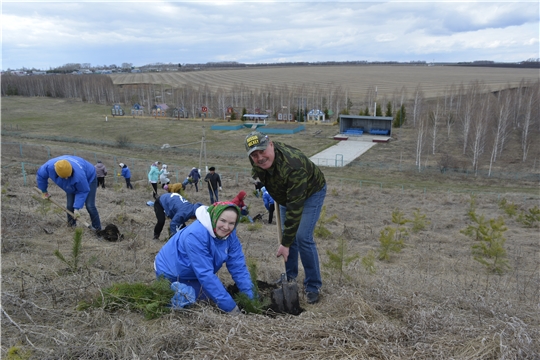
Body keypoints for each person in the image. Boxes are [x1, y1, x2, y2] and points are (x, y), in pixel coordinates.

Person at [245, 131, 326, 304]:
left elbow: (295, 208)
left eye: (262, 151)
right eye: (254, 155)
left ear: (271, 145)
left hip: (311, 192)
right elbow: (259, 170)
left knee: (302, 236)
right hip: (283, 193)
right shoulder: (257, 159)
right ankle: (290, 277)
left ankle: (313, 286)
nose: (259, 157)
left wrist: (286, 243)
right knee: (287, 237)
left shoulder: (293, 166)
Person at [154, 202, 254, 314]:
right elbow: (205, 274)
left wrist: (251, 298)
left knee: (210, 294)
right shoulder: (196, 235)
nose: (226, 227)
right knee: (190, 296)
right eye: (223, 221)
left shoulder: (230, 235)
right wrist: (232, 309)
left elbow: (238, 266)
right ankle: (173, 292)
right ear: (215, 217)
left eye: (231, 223)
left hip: (193, 272)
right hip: (171, 271)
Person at [36, 155, 102, 232]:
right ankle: (71, 227)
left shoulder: (79, 175)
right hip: (71, 181)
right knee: (70, 206)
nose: (67, 178)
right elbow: (41, 176)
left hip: (89, 176)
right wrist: (44, 191)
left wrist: (77, 208)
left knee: (90, 205)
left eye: (68, 175)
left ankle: (97, 229)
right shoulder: (48, 167)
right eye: (64, 177)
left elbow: (82, 191)